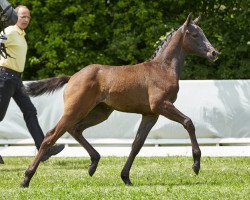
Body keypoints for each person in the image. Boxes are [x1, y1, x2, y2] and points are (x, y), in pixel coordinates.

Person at [0, 5, 64, 164]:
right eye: (23, 16)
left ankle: (43, 149)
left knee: (30, 111)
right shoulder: (9, 31)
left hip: (16, 79)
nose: (26, 19)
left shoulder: (21, 35)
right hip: (5, 77)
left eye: (28, 17)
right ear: (15, 16)